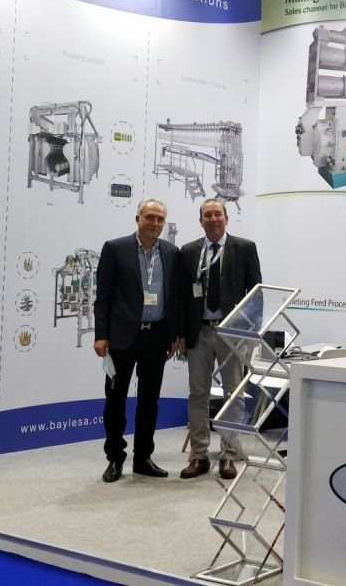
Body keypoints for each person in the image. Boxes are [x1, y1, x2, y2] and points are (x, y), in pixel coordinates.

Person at [93, 198, 187, 483]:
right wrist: (101, 335)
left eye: (160, 219)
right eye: (149, 217)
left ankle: (143, 457)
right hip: (121, 337)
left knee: (149, 401)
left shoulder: (171, 252)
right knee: (115, 401)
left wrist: (173, 335)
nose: (155, 223)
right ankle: (115, 458)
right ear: (138, 219)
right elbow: (103, 296)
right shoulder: (115, 249)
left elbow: (175, 298)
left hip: (156, 337)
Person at [177, 198, 262, 480]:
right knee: (197, 394)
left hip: (233, 333)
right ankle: (199, 455)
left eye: (218, 214)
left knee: (233, 394)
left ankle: (228, 454)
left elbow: (256, 292)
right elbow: (181, 296)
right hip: (199, 332)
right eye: (207, 215)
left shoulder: (245, 248)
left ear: (226, 218)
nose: (213, 219)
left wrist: (252, 331)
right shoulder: (189, 251)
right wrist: (180, 333)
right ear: (200, 221)